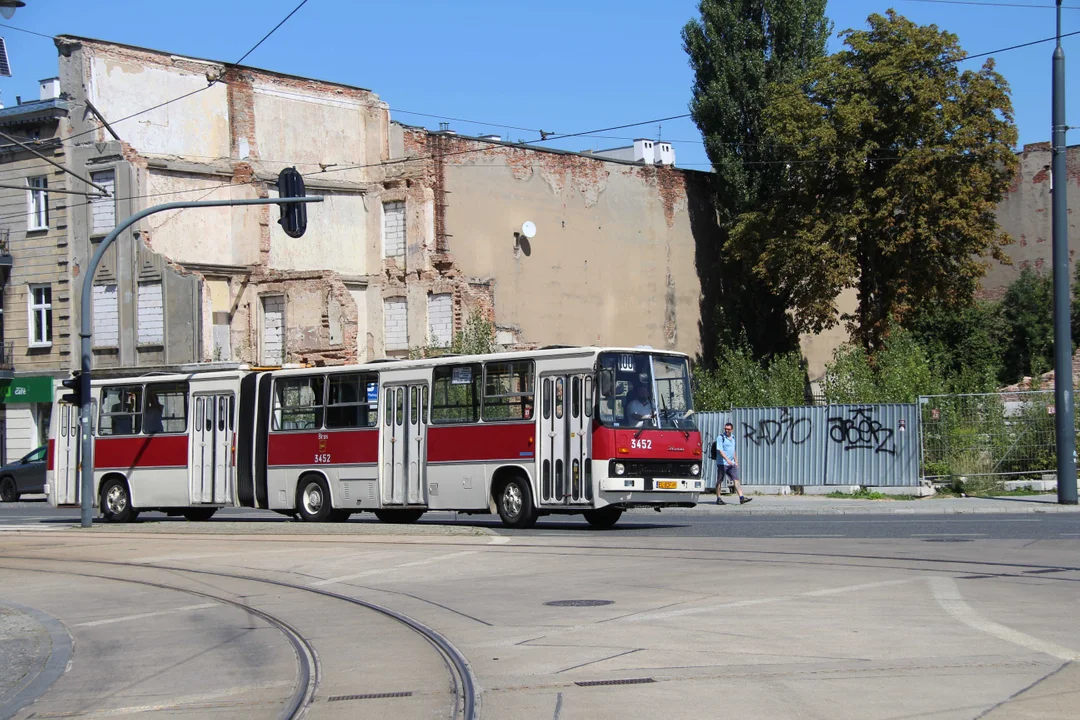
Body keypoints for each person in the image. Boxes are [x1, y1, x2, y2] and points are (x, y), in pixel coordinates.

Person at [715, 422, 751, 505]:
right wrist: (727, 459)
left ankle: (741, 497)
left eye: (728, 429)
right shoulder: (720, 437)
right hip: (722, 463)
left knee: (736, 480)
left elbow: (733, 450)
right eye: (725, 429)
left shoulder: (733, 437)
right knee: (719, 481)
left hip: (732, 463)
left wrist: (736, 461)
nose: (727, 430)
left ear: (732, 429)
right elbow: (720, 450)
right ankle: (718, 498)